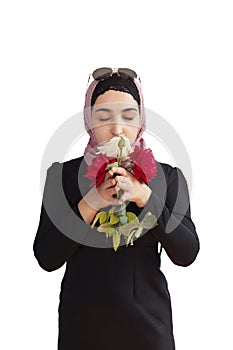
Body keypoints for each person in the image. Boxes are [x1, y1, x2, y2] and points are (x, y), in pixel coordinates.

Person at [33, 67, 200, 350]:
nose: (118, 128)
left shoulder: (167, 177)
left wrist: (146, 196)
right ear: (89, 120)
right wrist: (92, 202)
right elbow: (46, 257)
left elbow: (187, 253)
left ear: (141, 120)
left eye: (128, 116)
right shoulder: (62, 176)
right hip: (82, 330)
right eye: (103, 117)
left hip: (148, 329)